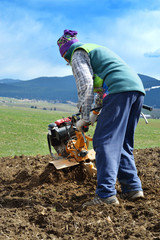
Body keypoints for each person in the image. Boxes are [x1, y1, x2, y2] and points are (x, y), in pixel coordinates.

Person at [57, 29, 145, 206]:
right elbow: (99, 90)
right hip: (136, 90)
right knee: (123, 142)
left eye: (66, 61)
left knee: (104, 141)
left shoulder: (77, 54)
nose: (68, 64)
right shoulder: (94, 50)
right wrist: (93, 114)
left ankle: (105, 195)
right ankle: (133, 188)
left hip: (118, 90)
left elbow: (86, 84)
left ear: (65, 55)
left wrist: (83, 116)